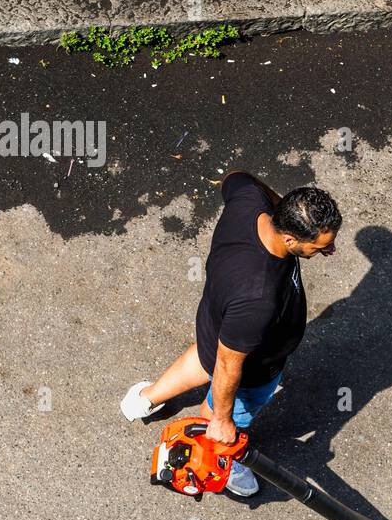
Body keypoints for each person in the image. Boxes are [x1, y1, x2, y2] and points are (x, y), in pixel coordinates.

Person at [122, 172, 341, 496]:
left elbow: (235, 177)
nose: (327, 250)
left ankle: (141, 401)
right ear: (291, 239)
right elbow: (227, 366)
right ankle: (224, 462)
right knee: (226, 406)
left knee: (203, 357)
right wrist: (222, 420)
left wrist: (287, 209)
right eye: (320, 246)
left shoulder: (250, 201)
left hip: (216, 321)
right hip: (253, 365)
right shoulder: (260, 296)